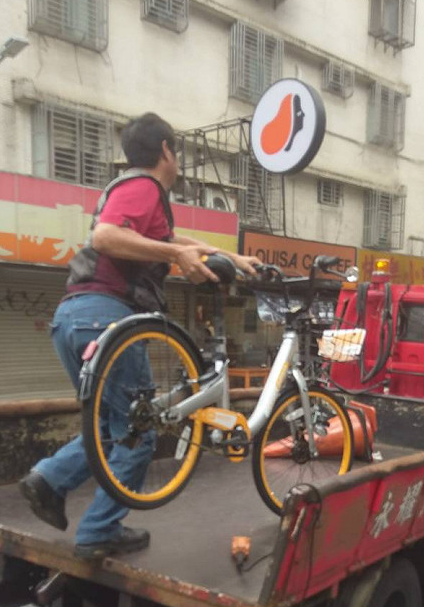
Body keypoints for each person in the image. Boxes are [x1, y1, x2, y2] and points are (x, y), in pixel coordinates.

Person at [19, 112, 261, 560]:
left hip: (73, 319)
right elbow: (106, 236)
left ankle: (48, 480)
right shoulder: (144, 186)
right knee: (140, 431)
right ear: (166, 150)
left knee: (110, 427)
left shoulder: (142, 198)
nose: (178, 159)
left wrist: (232, 257)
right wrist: (175, 254)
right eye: (177, 151)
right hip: (107, 318)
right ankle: (98, 531)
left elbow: (178, 241)